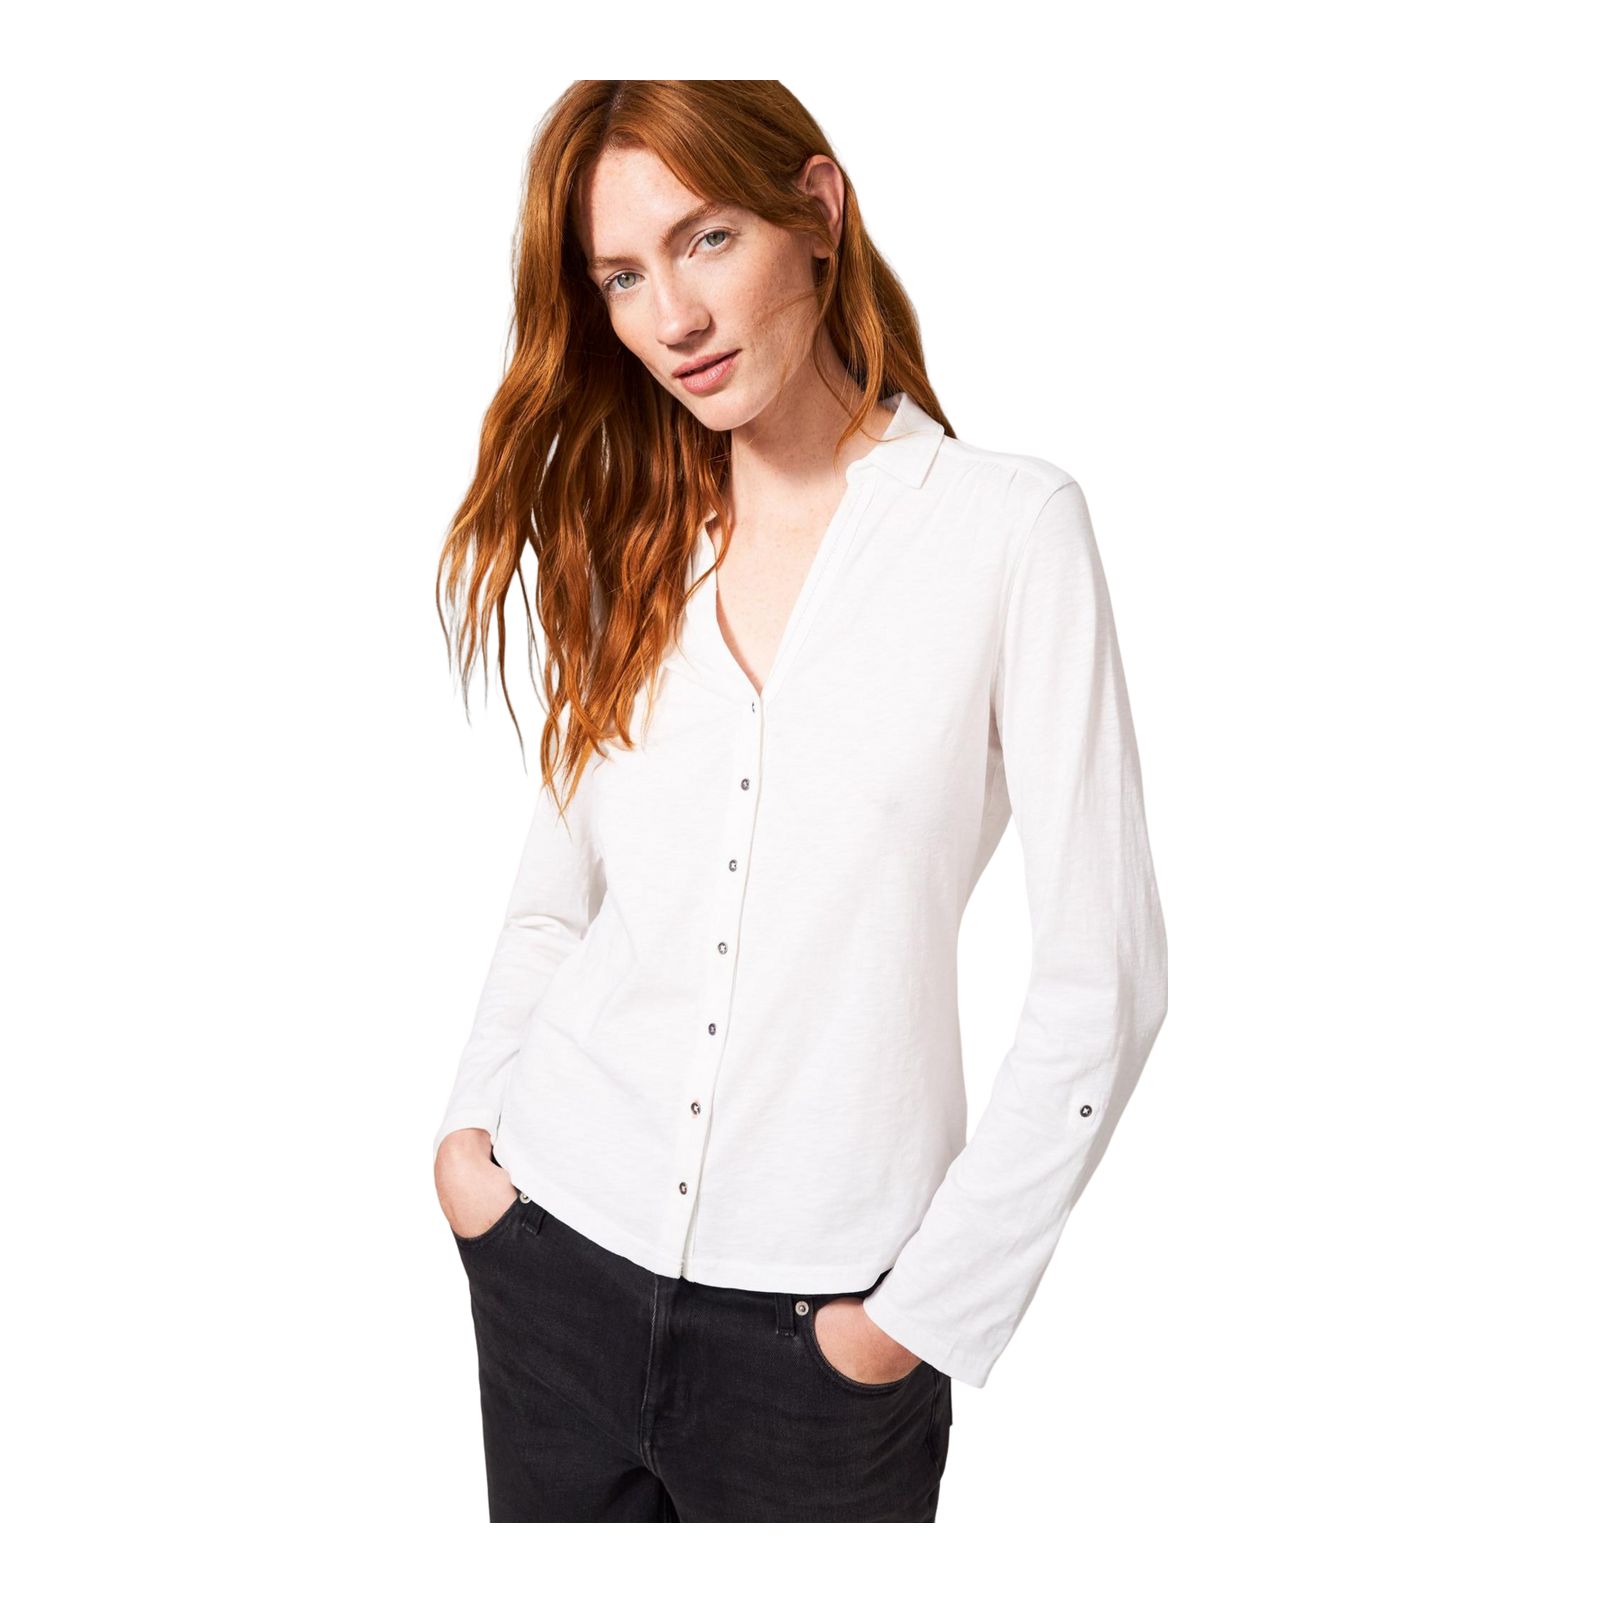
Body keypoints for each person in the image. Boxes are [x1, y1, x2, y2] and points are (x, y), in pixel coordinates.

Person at [430, 80, 1168, 1524]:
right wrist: (468, 1150)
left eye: (705, 240)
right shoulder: (627, 541)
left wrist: (911, 1322)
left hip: (819, 1345)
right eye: (621, 277)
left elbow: (1105, 981)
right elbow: (557, 893)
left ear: (817, 213)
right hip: (550, 1256)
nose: (672, 319)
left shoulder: (1009, 529)